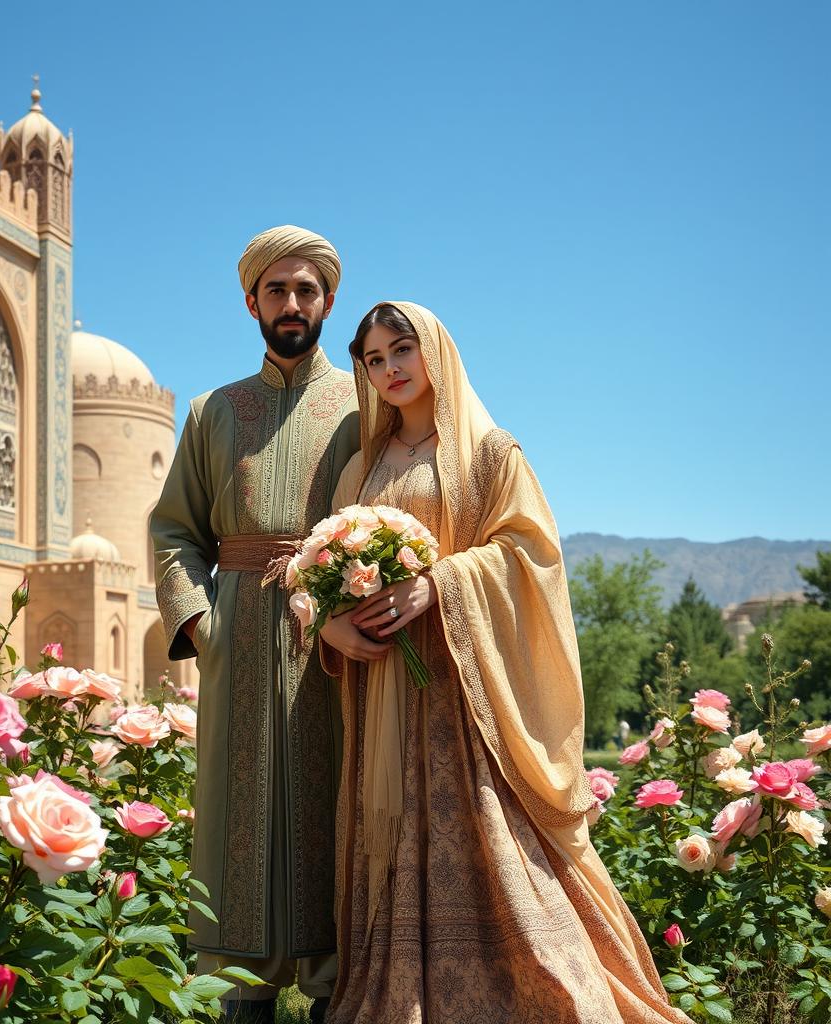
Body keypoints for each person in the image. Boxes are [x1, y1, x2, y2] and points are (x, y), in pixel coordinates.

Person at [318, 301, 690, 1023]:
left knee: (500, 845)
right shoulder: (362, 467)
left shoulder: (490, 453)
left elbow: (532, 557)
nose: (391, 369)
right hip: (387, 691)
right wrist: (332, 625)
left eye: (403, 350)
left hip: (469, 695)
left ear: (436, 352)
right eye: (374, 359)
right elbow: (324, 563)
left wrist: (440, 585)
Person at [151, 226, 360, 1024]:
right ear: (251, 301)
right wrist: (204, 625)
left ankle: (337, 983)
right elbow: (175, 529)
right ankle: (244, 992)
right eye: (277, 289)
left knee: (335, 803)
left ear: (328, 302)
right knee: (238, 810)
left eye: (307, 290)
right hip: (234, 638)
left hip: (334, 643)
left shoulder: (362, 402)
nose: (292, 303)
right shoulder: (212, 411)